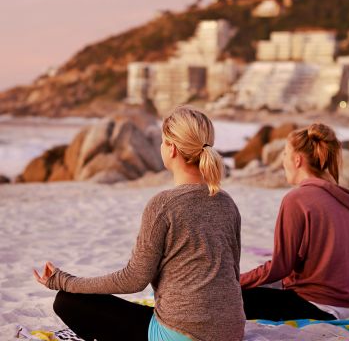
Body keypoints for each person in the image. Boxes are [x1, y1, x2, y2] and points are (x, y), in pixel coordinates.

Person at [33, 106, 245, 341]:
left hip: (183, 335)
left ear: (172, 149)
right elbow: (233, 272)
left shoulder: (164, 205)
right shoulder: (227, 202)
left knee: (66, 301)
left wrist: (65, 281)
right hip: (232, 331)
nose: (162, 147)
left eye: (164, 142)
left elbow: (133, 279)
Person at [241, 123, 349, 321]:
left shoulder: (296, 199)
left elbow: (280, 267)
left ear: (298, 160)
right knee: (263, 285)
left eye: (284, 154)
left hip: (320, 307)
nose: (282, 161)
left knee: (229, 297)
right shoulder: (342, 197)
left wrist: (236, 281)